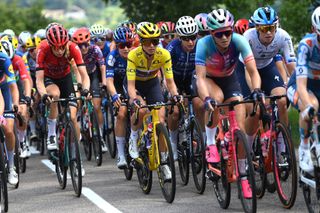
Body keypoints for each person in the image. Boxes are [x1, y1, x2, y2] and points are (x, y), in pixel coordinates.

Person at [196, 9, 262, 197]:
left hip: (230, 78)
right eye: (219, 34)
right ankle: (210, 144)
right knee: (215, 100)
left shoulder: (239, 41)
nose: (225, 37)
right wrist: (206, 98)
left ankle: (243, 176)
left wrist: (256, 90)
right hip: (209, 79)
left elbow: (252, 71)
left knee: (239, 127)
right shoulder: (203, 44)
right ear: (211, 34)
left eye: (228, 32)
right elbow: (199, 78)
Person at [126, 22, 181, 180]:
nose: (152, 46)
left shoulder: (164, 54)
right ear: (141, 41)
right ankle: (134, 137)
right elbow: (130, 85)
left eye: (155, 41)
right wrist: (134, 99)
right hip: (135, 84)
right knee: (142, 110)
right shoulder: (133, 55)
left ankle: (163, 162)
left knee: (161, 121)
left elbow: (169, 82)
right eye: (148, 42)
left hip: (151, 83)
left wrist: (175, 94)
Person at [236, 6, 296, 151]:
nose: (268, 32)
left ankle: (282, 146)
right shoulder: (248, 37)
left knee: (281, 100)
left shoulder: (283, 36)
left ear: (276, 26)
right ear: (257, 28)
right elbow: (248, 70)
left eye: (271, 27)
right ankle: (248, 149)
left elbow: (292, 66)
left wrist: (296, 85)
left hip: (267, 67)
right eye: (264, 29)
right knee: (253, 109)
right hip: (247, 69)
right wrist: (255, 91)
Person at [36, 23, 90, 176]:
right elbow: (39, 80)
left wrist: (85, 90)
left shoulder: (73, 47)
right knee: (55, 95)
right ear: (50, 44)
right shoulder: (43, 48)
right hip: (49, 78)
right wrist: (43, 94)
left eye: (62, 47)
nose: (60, 51)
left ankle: (75, 157)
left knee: (73, 117)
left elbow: (84, 75)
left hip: (65, 78)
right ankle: (52, 135)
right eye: (56, 47)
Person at [287, 6, 320, 173]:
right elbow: (301, 85)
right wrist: (309, 107)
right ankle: (304, 148)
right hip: (300, 85)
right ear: (315, 31)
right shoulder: (306, 45)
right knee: (311, 107)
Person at [166, 16, 204, 160]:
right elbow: (166, 74)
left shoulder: (200, 45)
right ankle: (173, 142)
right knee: (175, 111)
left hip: (191, 78)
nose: (190, 42)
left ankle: (200, 136)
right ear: (179, 37)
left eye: (193, 37)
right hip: (173, 79)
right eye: (186, 38)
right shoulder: (172, 48)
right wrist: (172, 91)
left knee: (199, 104)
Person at [72, 27, 108, 152]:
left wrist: (104, 83)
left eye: (86, 45)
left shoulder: (95, 49)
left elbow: (102, 67)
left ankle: (101, 136)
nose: (84, 48)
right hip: (80, 76)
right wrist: (81, 87)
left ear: (90, 42)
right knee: (78, 101)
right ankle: (79, 121)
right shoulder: (74, 52)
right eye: (80, 46)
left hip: (93, 75)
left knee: (97, 106)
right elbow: (76, 71)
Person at [106, 27, 134, 168]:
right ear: (117, 46)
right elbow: (109, 82)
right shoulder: (112, 56)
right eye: (122, 45)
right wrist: (114, 95)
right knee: (122, 114)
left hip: (133, 84)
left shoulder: (136, 54)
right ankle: (121, 154)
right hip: (117, 85)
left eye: (129, 44)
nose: (126, 48)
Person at [1, 39, 32, 158]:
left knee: (22, 111)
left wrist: (28, 96)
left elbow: (26, 80)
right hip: (4, 86)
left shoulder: (17, 60)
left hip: (15, 84)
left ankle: (22, 140)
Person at [0, 43, 19, 185]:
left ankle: (11, 166)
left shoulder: (3, 58)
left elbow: (13, 85)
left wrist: (16, 104)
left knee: (8, 129)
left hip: (4, 90)